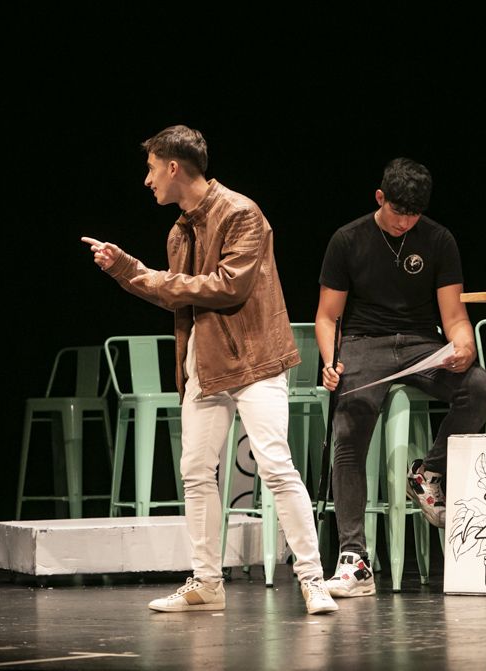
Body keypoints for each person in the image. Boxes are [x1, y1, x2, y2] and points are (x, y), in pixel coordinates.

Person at [81, 124, 337, 615]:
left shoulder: (242, 213)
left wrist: (140, 272)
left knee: (276, 466)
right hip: (206, 363)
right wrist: (126, 269)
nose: (147, 180)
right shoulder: (178, 231)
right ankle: (206, 582)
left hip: (256, 359)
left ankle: (312, 578)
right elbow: (179, 295)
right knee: (196, 473)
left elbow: (227, 287)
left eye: (152, 169)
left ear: (174, 167)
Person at [316, 157, 486, 598]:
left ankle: (428, 473)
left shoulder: (438, 240)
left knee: (479, 386)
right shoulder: (348, 239)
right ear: (380, 198)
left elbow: (454, 315)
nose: (405, 223)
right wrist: (330, 361)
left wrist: (463, 345)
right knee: (351, 421)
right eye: (398, 213)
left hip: (420, 342)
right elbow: (326, 315)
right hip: (364, 341)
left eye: (413, 215)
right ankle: (354, 559)